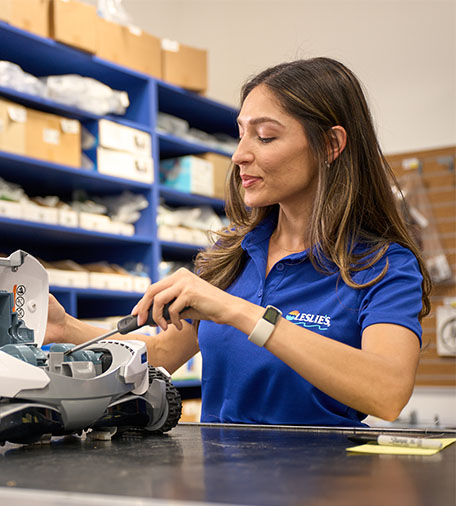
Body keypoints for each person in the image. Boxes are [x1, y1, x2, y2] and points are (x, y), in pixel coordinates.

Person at [44, 57, 431, 427]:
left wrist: (239, 312)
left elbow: (388, 392)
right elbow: (160, 355)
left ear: (331, 145)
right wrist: (66, 328)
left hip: (325, 486)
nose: (240, 155)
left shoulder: (382, 266)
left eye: (265, 136)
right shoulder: (231, 258)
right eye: (241, 133)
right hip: (223, 484)